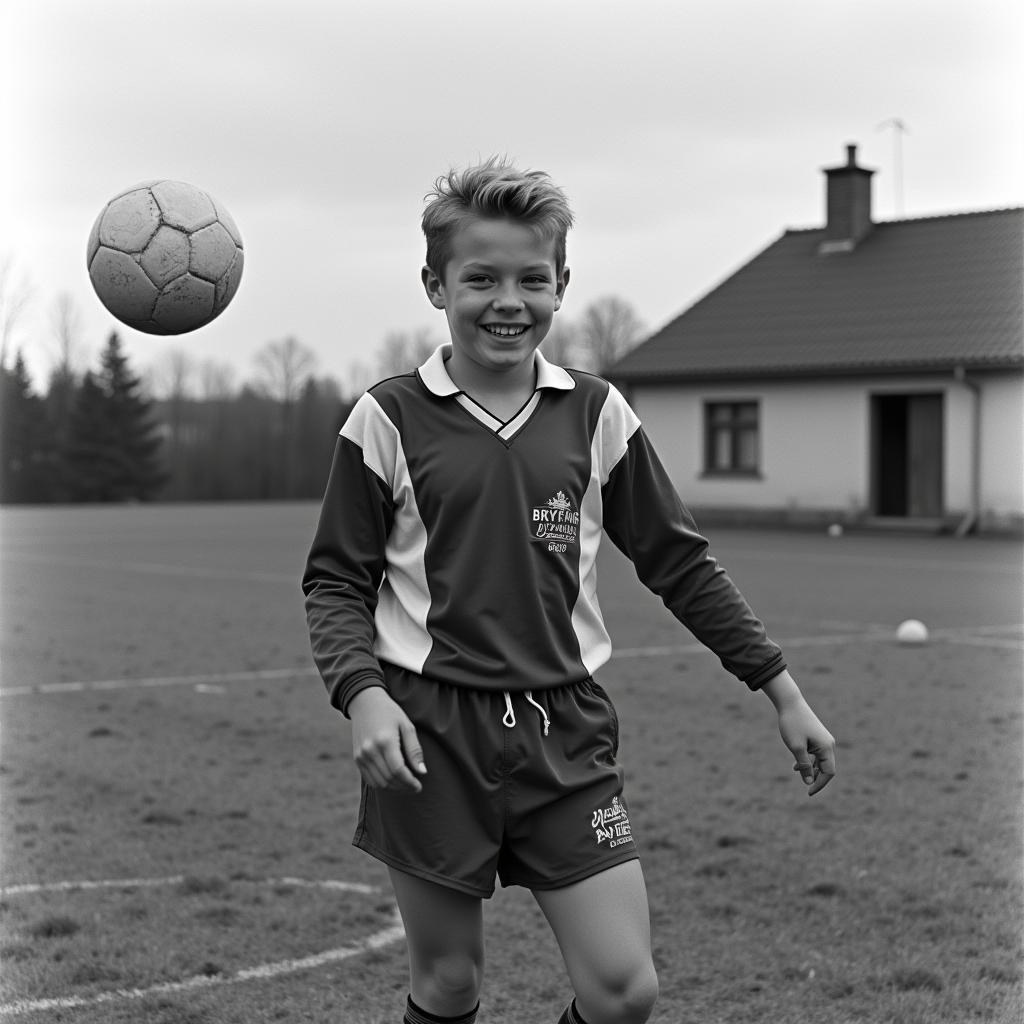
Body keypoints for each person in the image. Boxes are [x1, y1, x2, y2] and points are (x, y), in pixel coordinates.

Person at [302, 157, 837, 1024]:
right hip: (431, 735)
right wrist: (362, 696)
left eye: (531, 279)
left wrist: (782, 691)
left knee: (624, 991)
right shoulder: (387, 418)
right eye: (480, 278)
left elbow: (682, 564)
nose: (507, 300)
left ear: (561, 286)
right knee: (448, 984)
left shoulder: (598, 415)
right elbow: (334, 580)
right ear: (435, 285)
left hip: (565, 734)